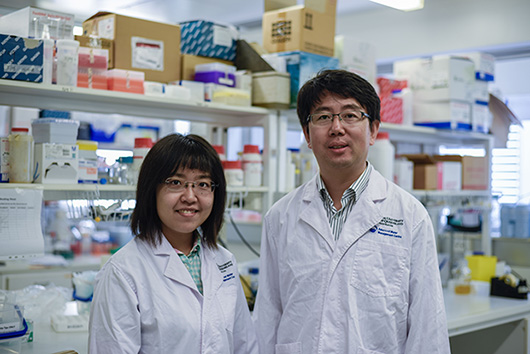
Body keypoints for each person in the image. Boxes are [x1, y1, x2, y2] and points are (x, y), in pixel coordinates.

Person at [254, 70, 450, 354]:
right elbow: (267, 316)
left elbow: (427, 326)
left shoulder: (409, 215)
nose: (336, 128)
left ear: (372, 130)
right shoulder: (280, 216)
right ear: (307, 135)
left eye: (350, 115)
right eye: (323, 117)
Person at [89, 133, 258, 354]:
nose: (190, 196)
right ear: (152, 190)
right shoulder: (123, 272)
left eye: (203, 184)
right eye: (176, 182)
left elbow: (245, 345)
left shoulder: (224, 262)